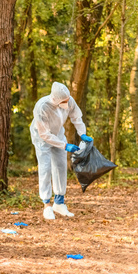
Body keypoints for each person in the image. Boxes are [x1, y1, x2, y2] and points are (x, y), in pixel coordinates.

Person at [30, 82, 93, 220]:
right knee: (45, 168)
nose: (68, 102)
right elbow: (45, 134)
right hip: (41, 138)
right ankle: (47, 205)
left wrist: (82, 133)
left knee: (60, 166)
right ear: (56, 100)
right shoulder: (42, 107)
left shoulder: (69, 100)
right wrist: (65, 146)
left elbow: (76, 117)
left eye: (68, 99)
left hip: (58, 134)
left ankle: (59, 202)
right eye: (64, 100)